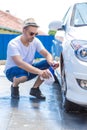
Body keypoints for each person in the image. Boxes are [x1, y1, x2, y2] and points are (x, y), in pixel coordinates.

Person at [4, 18, 59, 100]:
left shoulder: (35, 41)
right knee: (23, 77)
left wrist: (51, 62)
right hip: (12, 71)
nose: (33, 36)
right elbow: (20, 63)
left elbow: (47, 54)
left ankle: (35, 89)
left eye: (35, 34)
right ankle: (14, 87)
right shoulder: (13, 44)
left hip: (28, 69)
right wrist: (40, 72)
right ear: (23, 30)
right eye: (31, 33)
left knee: (48, 64)